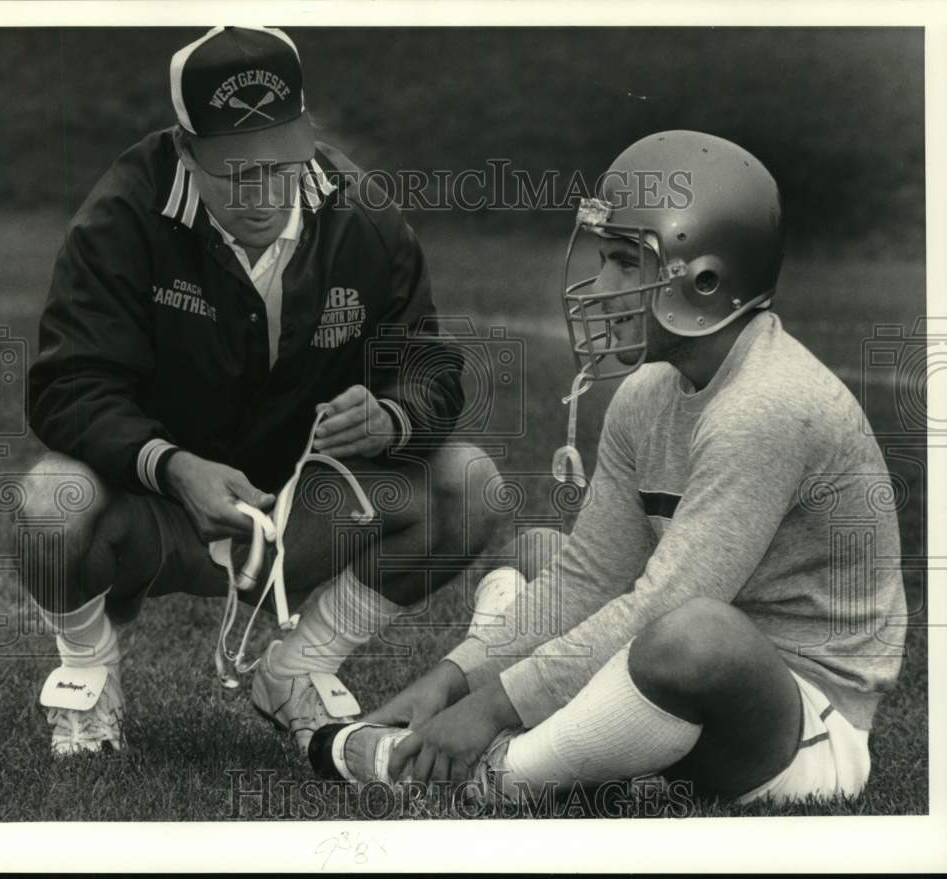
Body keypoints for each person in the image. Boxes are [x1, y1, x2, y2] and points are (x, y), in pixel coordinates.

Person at [308, 130, 908, 806]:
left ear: (706, 279)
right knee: (543, 553)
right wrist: (453, 679)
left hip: (800, 717)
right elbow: (588, 576)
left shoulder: (767, 405)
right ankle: (564, 737)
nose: (602, 284)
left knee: (689, 632)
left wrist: (489, 708)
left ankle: (504, 775)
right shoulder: (648, 392)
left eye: (627, 261)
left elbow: (668, 609)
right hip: (680, 661)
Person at [23, 26, 500, 757]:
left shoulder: (363, 218)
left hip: (302, 511)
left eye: (278, 165)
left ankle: (297, 666)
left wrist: (391, 417)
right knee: (50, 501)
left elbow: (428, 366)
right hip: (161, 514)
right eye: (234, 170)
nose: (260, 192)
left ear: (306, 136)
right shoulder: (122, 216)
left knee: (469, 483)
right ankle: (90, 670)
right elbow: (68, 385)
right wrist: (172, 464)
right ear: (185, 150)